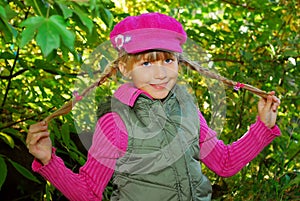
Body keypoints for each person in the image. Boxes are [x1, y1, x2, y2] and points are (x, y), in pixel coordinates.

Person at [26, 12, 281, 201]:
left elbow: (224, 163)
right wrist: (49, 161)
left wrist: (262, 127)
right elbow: (89, 192)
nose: (160, 74)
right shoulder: (115, 123)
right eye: (146, 64)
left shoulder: (188, 110)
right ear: (125, 68)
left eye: (168, 60)